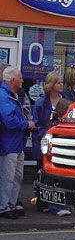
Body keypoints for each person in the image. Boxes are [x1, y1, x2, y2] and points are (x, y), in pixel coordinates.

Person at [31, 71, 72, 217]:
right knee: (44, 176)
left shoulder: (66, 99)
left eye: (62, 82)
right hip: (44, 144)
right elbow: (36, 124)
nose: (62, 85)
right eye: (58, 82)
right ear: (51, 84)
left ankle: (57, 204)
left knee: (58, 175)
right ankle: (45, 204)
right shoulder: (41, 102)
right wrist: (46, 134)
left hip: (61, 142)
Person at [0, 67, 35, 219]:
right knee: (8, 177)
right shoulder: (4, 96)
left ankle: (10, 204)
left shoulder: (9, 95)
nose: (22, 80)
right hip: (9, 144)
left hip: (15, 143)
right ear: (13, 80)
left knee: (16, 176)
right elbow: (9, 121)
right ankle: (3, 207)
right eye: (20, 78)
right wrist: (26, 125)